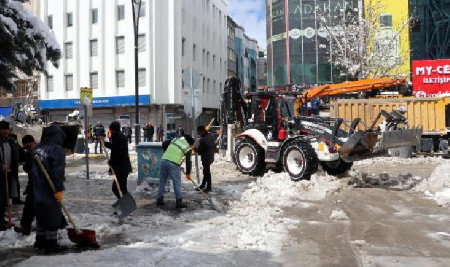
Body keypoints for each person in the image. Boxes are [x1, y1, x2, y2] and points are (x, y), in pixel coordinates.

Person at [31, 125, 68, 253]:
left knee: (41, 214)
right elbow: (58, 172)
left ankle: (40, 241)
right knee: (53, 215)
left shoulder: (37, 149)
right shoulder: (56, 150)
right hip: (50, 188)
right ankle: (51, 244)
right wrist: (58, 189)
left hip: (38, 188)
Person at [157, 135, 194, 209]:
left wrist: (167, 154)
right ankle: (179, 202)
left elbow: (164, 144)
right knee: (177, 182)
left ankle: (159, 200)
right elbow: (188, 162)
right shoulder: (187, 147)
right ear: (189, 143)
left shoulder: (175, 139)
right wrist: (188, 173)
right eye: (191, 145)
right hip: (173, 164)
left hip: (164, 160)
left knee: (162, 181)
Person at [13, 135, 38, 235]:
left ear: (34, 143)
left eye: (29, 146)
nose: (27, 149)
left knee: (46, 207)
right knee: (29, 206)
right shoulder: (28, 154)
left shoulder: (41, 152)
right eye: (25, 147)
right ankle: (25, 227)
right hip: (33, 184)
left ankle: (59, 224)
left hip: (43, 185)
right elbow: (29, 171)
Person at [103, 122, 132, 199]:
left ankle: (125, 205)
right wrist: (106, 144)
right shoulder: (118, 136)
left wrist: (111, 162)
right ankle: (126, 205)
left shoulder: (119, 138)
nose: (110, 131)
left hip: (122, 168)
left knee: (117, 188)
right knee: (122, 188)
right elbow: (114, 147)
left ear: (114, 130)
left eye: (111, 129)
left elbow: (118, 153)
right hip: (122, 167)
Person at [196, 126, 219, 192]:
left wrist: (195, 149)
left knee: (207, 172)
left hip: (206, 157)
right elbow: (214, 143)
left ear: (202, 131)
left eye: (199, 132)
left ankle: (209, 187)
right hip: (210, 156)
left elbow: (200, 150)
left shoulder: (203, 139)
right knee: (206, 171)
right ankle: (203, 185)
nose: (198, 134)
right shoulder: (210, 135)